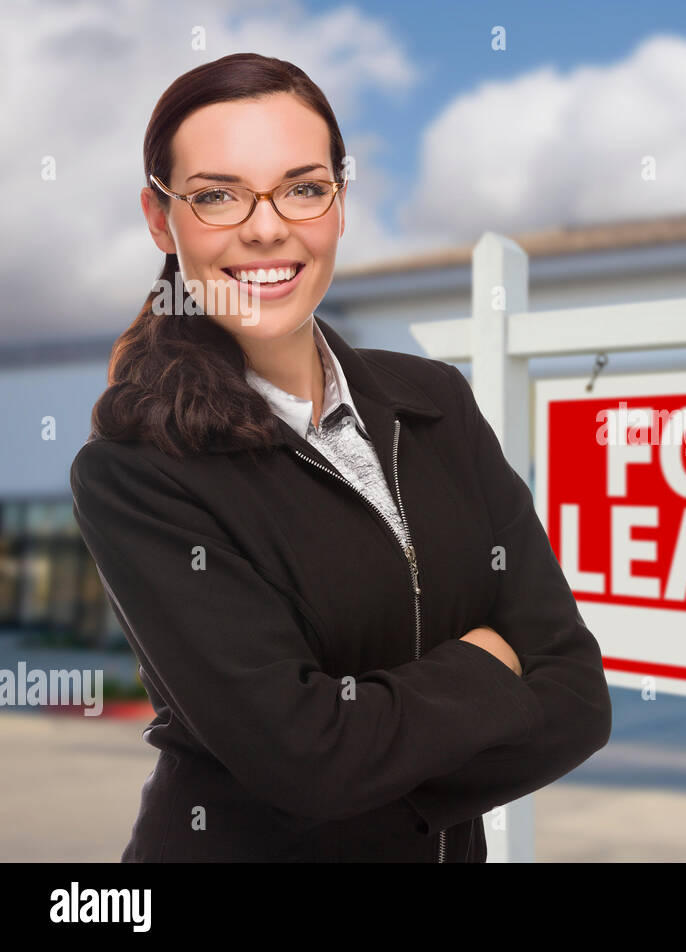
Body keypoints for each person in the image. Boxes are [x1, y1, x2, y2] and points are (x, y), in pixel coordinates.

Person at [69, 52, 612, 862]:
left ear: (340, 200)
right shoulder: (136, 474)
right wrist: (488, 668)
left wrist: (367, 771)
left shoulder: (435, 404)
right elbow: (306, 761)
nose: (266, 227)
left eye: (303, 186)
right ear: (160, 218)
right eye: (217, 195)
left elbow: (576, 696)